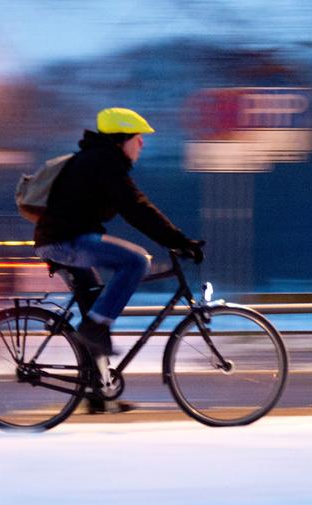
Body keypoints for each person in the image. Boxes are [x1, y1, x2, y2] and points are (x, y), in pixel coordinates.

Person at [34, 107, 203, 356]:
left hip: (59, 240)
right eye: (138, 137)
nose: (142, 144)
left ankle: (95, 374)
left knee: (95, 308)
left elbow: (135, 207)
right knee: (136, 261)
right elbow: (136, 208)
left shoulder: (97, 159)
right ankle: (94, 330)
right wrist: (178, 241)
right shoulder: (104, 162)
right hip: (66, 242)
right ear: (121, 139)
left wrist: (174, 240)